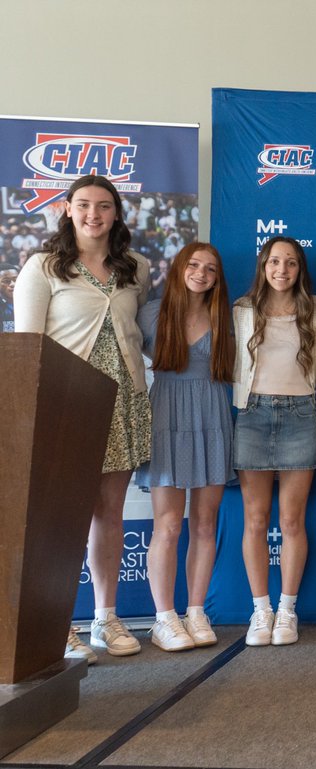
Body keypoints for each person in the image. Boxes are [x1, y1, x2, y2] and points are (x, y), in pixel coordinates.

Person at [15, 175, 152, 663]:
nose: (94, 214)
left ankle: (105, 618)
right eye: (84, 205)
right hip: (65, 406)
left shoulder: (136, 268)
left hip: (123, 401)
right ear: (67, 210)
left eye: (104, 206)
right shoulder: (43, 266)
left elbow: (138, 333)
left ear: (116, 213)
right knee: (59, 521)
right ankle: (57, 625)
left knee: (108, 513)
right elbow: (29, 348)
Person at [136, 243, 235, 652]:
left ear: (217, 278)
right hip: (168, 417)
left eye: (210, 269)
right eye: (193, 265)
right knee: (169, 525)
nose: (201, 273)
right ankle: (164, 618)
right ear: (179, 268)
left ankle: (196, 611)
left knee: (205, 524)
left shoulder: (223, 316)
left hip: (212, 416)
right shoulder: (151, 314)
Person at [232, 237, 316, 646]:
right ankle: (260, 609)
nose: (281, 269)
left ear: (299, 268)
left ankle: (287, 610)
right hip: (252, 414)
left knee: (290, 520)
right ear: (263, 266)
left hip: (302, 415)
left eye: (290, 262)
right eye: (274, 262)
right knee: (255, 519)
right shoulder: (242, 311)